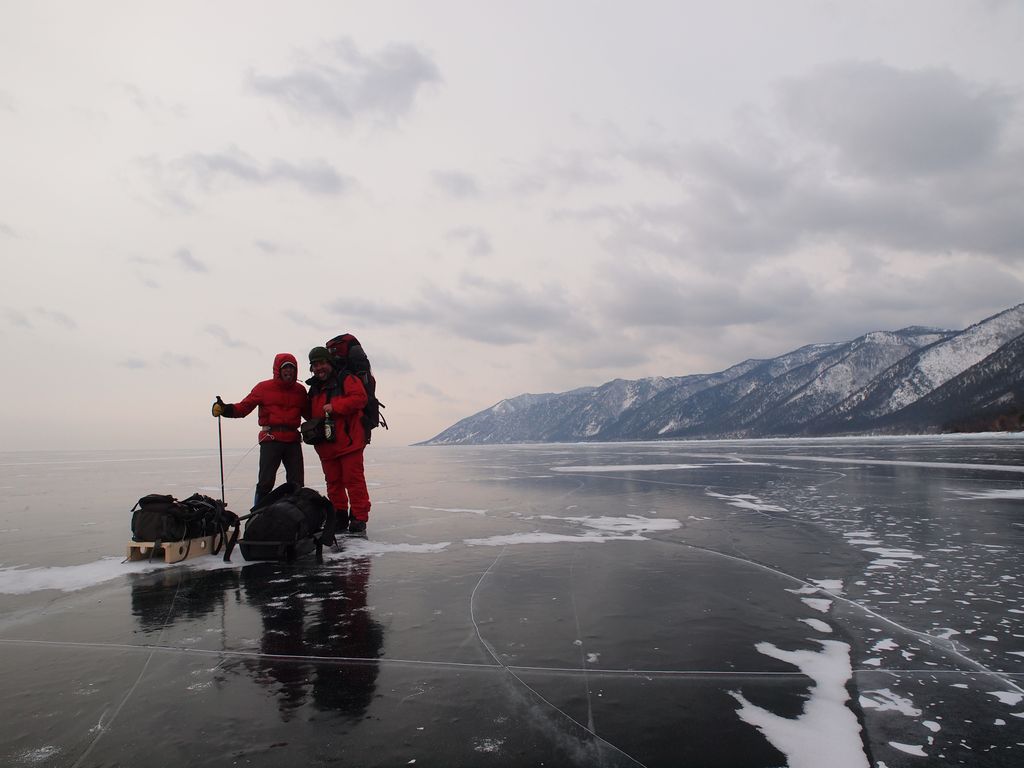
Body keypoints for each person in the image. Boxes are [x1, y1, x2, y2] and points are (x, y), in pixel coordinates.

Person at [212, 353, 307, 505]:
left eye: (292, 367)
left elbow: (310, 413)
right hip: (271, 439)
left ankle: (296, 514)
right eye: (285, 367)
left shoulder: (301, 391)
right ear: (278, 369)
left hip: (293, 441)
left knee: (297, 483)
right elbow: (244, 408)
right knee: (265, 482)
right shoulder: (263, 388)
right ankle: (257, 514)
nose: (289, 371)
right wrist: (225, 409)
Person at [306, 345, 371, 538]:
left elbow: (360, 398)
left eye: (322, 363)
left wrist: (335, 406)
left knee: (354, 481)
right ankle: (339, 516)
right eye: (315, 365)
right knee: (333, 483)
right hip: (326, 446)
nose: (319, 368)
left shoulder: (346, 378)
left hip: (349, 442)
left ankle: (359, 518)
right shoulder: (314, 389)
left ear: (330, 362)